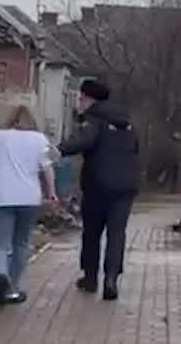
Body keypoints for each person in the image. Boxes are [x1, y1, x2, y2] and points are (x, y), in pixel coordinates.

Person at [58, 79, 140, 301]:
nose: (79, 103)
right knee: (117, 233)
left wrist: (57, 151)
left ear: (88, 99)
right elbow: (135, 149)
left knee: (92, 233)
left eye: (80, 99)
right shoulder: (127, 123)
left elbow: (82, 142)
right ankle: (111, 279)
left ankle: (91, 278)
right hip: (126, 187)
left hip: (98, 186)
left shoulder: (93, 120)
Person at [0, 105, 57, 308]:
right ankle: (11, 289)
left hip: (2, 197)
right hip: (29, 198)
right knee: (21, 242)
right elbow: (48, 169)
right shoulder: (39, 139)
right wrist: (52, 193)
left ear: (11, 118)